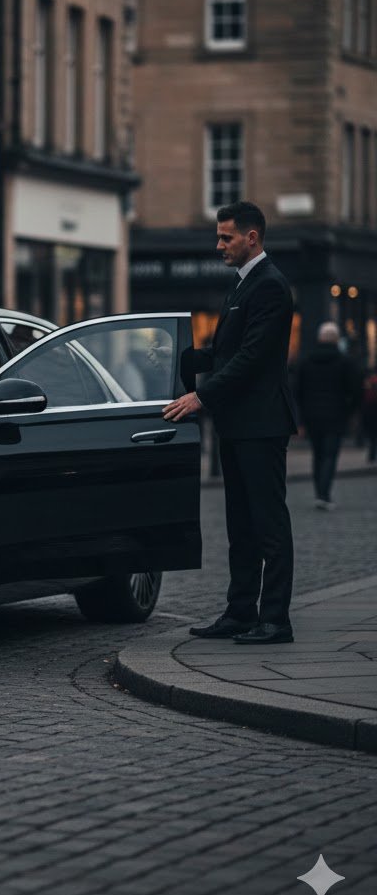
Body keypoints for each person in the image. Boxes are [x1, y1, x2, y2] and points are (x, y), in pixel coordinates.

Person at [164, 201, 298, 645]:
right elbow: (225, 353)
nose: (219, 244)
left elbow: (252, 358)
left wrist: (201, 396)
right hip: (238, 424)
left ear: (251, 238)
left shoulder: (271, 286)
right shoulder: (243, 285)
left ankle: (275, 619)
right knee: (240, 526)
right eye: (219, 236)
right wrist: (169, 357)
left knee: (269, 525)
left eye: (226, 237)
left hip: (262, 424)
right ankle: (241, 611)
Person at [296, 322, 361, 510]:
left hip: (312, 415)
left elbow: (297, 390)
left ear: (319, 338)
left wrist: (301, 417)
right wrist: (349, 411)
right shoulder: (345, 361)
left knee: (317, 454)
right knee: (330, 455)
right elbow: (356, 390)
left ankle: (319, 493)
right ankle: (324, 493)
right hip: (336, 414)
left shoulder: (306, 360)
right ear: (336, 339)